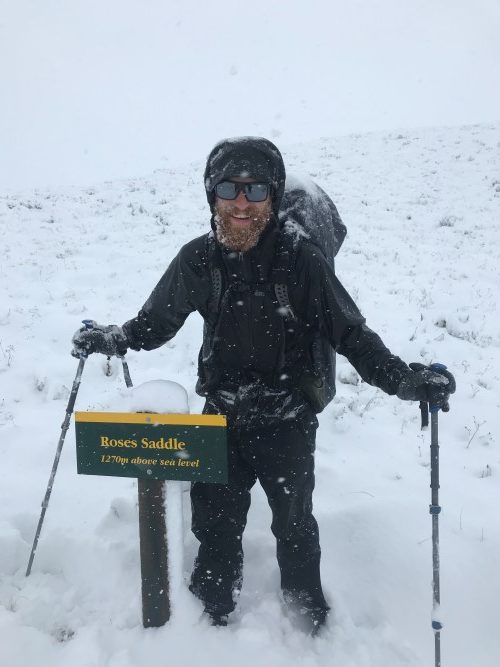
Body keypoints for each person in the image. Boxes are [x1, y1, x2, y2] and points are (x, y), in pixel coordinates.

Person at [71, 137, 455, 634]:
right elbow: (156, 323)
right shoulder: (198, 260)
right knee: (215, 526)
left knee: (295, 524)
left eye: (255, 190)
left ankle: (307, 617)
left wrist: (403, 379)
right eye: (229, 188)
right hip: (221, 417)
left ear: (272, 197)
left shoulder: (302, 261)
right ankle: (210, 615)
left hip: (287, 419)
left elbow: (352, 334)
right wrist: (116, 338)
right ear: (212, 195)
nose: (241, 202)